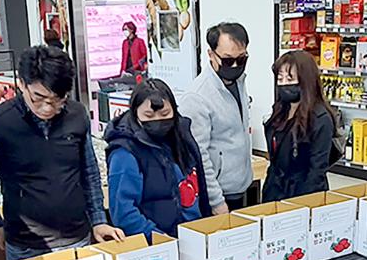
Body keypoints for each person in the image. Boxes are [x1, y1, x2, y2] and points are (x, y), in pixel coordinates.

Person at [0, 45, 124, 260]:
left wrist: (99, 219)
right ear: (21, 84)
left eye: (57, 100)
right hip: (27, 245)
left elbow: (88, 172)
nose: (47, 108)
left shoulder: (76, 114)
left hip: (77, 237)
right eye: (38, 98)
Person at [105, 78, 211, 237]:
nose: (157, 120)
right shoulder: (125, 153)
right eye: (149, 115)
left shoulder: (182, 137)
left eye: (165, 114)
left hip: (193, 236)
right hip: (157, 244)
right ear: (135, 114)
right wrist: (159, 238)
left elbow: (198, 185)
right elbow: (124, 212)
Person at [179, 22, 252, 214]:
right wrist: (216, 201)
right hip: (218, 196)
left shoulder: (239, 82)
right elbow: (198, 154)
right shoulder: (197, 97)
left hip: (241, 187)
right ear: (211, 55)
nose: (235, 65)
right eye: (228, 60)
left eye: (242, 59)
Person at [263, 50, 336, 201]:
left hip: (303, 193)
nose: (283, 84)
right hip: (275, 190)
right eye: (280, 79)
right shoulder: (279, 111)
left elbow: (316, 171)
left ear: (305, 80)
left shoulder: (320, 119)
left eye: (290, 79)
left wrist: (302, 206)